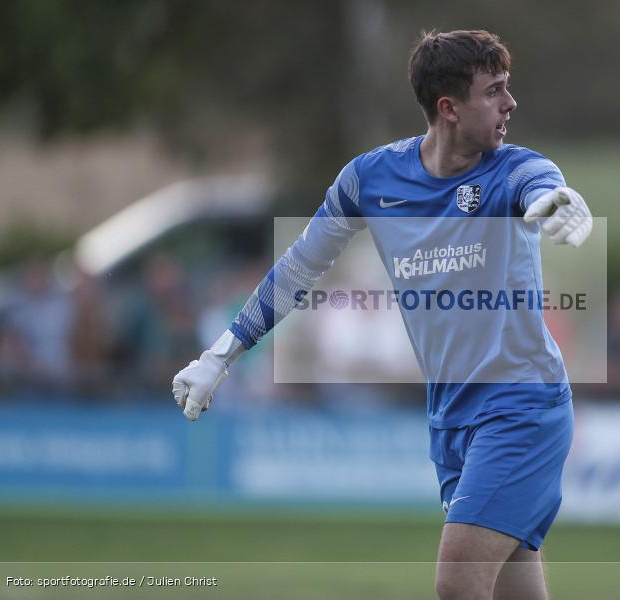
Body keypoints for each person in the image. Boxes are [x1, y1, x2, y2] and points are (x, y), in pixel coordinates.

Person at [172, 30, 592, 600]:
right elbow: (299, 268)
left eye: (507, 89)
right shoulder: (371, 179)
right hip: (451, 417)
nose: (509, 104)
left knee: (457, 582)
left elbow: (539, 185)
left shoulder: (513, 169)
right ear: (448, 108)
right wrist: (221, 354)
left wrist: (559, 200)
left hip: (521, 407)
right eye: (494, 91)